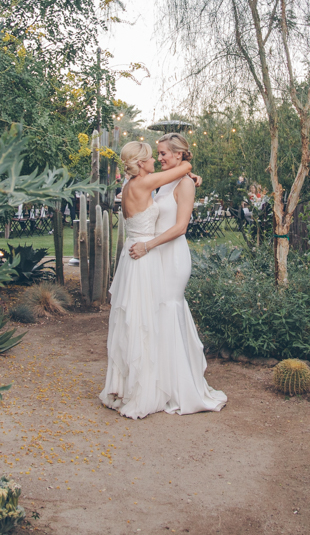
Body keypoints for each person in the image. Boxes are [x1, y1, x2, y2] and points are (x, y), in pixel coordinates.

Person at [124, 133, 226, 416]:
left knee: (169, 312)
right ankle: (161, 384)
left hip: (171, 256)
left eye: (164, 154)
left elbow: (180, 228)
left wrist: (147, 245)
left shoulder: (183, 183)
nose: (159, 158)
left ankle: (181, 388)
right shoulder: (165, 182)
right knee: (158, 317)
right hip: (155, 255)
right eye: (157, 154)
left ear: (178, 155)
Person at [99, 141, 195, 418]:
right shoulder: (145, 183)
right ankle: (143, 389)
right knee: (143, 322)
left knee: (132, 320)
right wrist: (187, 167)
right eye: (153, 157)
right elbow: (185, 166)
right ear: (141, 163)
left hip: (132, 257)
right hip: (143, 255)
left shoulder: (129, 185)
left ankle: (125, 386)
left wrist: (189, 179)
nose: (156, 160)